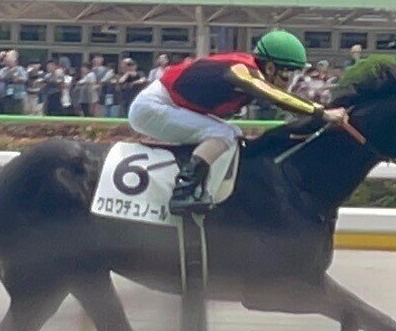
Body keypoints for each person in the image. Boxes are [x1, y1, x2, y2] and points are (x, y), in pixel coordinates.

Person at [128, 30, 347, 213]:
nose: (289, 82)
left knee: (231, 132)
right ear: (269, 67)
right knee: (223, 133)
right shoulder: (241, 70)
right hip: (152, 107)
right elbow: (275, 96)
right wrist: (321, 112)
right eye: (286, 74)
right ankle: (182, 193)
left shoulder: (250, 71)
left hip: (170, 105)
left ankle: (203, 189)